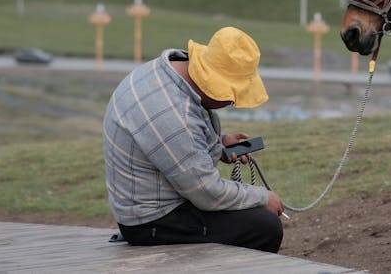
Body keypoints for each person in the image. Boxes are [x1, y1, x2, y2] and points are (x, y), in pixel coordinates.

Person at [103, 26, 285, 253]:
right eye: (231, 95)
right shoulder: (174, 114)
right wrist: (262, 197)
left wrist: (217, 144)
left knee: (248, 216)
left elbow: (179, 141)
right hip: (151, 220)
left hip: (157, 196)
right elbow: (206, 193)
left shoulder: (170, 72)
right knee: (264, 227)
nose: (232, 102)